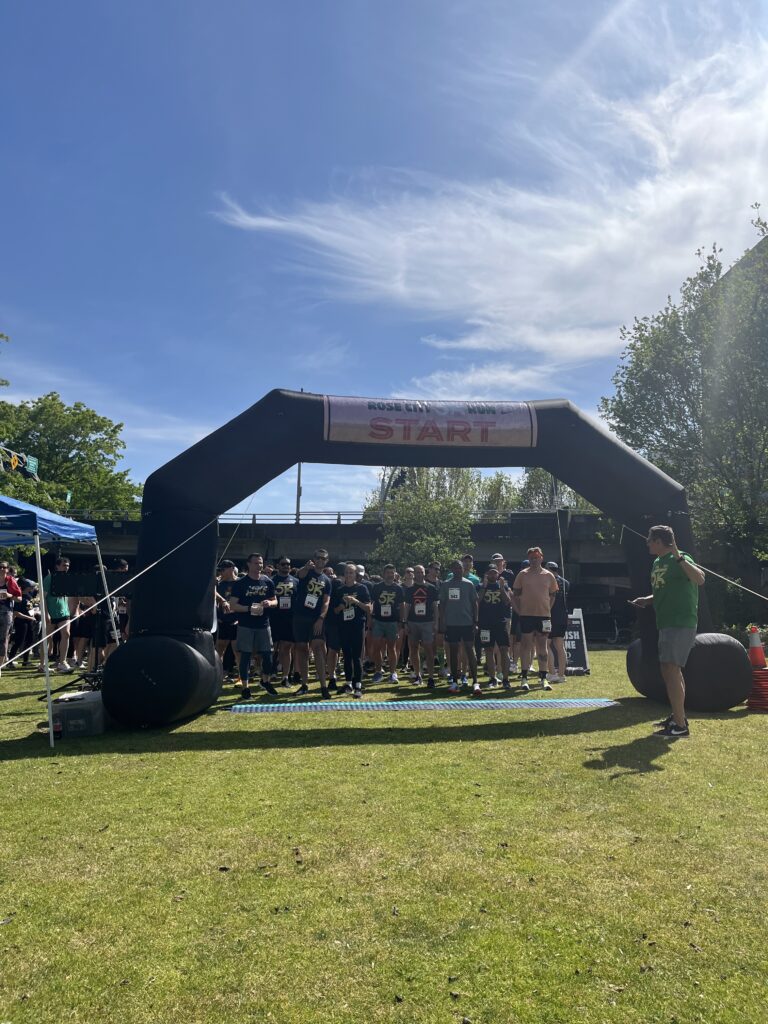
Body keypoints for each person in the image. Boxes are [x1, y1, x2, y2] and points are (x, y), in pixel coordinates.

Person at [630, 524, 705, 739]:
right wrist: (647, 600)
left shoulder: (680, 558)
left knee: (671, 670)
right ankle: (678, 717)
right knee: (670, 670)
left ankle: (680, 726)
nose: (647, 543)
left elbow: (700, 579)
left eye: (650, 539)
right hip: (666, 622)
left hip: (680, 622)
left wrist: (679, 556)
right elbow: (667, 588)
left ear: (659, 541)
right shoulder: (658, 562)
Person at [228, 552, 279, 699]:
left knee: (268, 655)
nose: (259, 565)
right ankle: (245, 688)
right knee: (245, 655)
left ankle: (266, 681)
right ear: (249, 564)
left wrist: (270, 603)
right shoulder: (240, 583)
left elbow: (275, 601)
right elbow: (233, 605)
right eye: (256, 563)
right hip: (246, 624)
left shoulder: (267, 581)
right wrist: (249, 608)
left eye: (261, 563)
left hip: (264, 624)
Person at [512, 548, 558, 691]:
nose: (534, 560)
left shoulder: (549, 575)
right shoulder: (522, 574)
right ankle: (524, 677)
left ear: (541, 558)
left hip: (543, 616)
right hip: (526, 616)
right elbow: (515, 595)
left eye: (536, 557)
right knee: (526, 646)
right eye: (531, 557)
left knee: (542, 647)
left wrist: (547, 609)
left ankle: (543, 678)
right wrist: (519, 611)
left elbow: (553, 595)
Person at [293, 548, 332, 697]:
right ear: (314, 559)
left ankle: (323, 686)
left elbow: (326, 601)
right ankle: (304, 684)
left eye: (323, 558)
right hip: (300, 616)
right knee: (302, 649)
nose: (321, 560)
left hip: (316, 618)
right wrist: (306, 567)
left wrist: (321, 618)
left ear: (327, 561)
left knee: (317, 648)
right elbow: (300, 575)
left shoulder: (327, 580)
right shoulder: (307, 571)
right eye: (318, 557)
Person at [438, 560, 480, 694]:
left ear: (463, 569)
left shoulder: (469, 584)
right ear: (452, 570)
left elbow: (475, 603)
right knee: (453, 652)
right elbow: (442, 604)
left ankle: (475, 682)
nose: (458, 570)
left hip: (467, 623)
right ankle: (455, 682)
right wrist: (442, 621)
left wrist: (476, 621)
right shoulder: (446, 585)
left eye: (460, 568)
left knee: (469, 650)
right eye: (455, 568)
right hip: (451, 624)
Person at [334, 562, 372, 697]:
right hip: (344, 625)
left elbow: (368, 608)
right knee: (346, 655)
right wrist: (342, 606)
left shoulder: (362, 588)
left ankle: (358, 686)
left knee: (357, 656)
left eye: (351, 572)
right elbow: (335, 610)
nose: (349, 575)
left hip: (357, 625)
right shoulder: (340, 590)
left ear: (355, 574)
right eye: (347, 572)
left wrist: (355, 601)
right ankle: (348, 683)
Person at [404, 564, 439, 688]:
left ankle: (431, 677)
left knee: (429, 650)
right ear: (414, 574)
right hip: (413, 622)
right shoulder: (409, 589)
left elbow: (435, 607)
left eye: (421, 572)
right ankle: (418, 675)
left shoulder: (432, 588)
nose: (419, 574)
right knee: (414, 649)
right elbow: (407, 606)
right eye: (417, 572)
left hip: (427, 622)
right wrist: (405, 622)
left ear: (425, 573)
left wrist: (436, 622)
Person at [477, 565, 512, 688]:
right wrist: (484, 586)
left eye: (495, 573)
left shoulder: (503, 585)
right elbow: (477, 601)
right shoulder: (480, 586)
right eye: (490, 573)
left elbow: (507, 601)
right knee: (488, 650)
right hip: (485, 623)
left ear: (498, 574)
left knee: (504, 649)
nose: (492, 575)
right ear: (486, 574)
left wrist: (501, 587)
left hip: (500, 622)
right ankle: (492, 678)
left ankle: (506, 679)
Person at [38, 556, 75, 674]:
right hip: (51, 613)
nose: (66, 568)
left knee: (66, 634)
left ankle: (62, 662)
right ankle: (42, 664)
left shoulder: (67, 579)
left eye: (68, 566)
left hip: (64, 611)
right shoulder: (49, 578)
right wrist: (46, 614)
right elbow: (42, 598)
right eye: (64, 565)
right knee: (47, 638)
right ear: (57, 566)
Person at [370, 564, 406, 684]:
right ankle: (378, 672)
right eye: (388, 572)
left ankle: (392, 673)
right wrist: (371, 619)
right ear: (383, 574)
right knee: (377, 647)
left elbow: (402, 605)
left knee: (392, 648)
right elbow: (372, 603)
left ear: (395, 574)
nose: (390, 575)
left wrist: (401, 621)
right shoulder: (377, 587)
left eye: (392, 572)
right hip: (378, 621)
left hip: (392, 622)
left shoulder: (398, 588)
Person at [270, 556, 299, 686]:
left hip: (290, 619)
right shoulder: (271, 581)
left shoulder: (296, 581)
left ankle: (285, 677)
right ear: (277, 566)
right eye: (283, 564)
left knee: (286, 648)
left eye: (288, 564)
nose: (286, 566)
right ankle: (268, 674)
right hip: (274, 618)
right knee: (271, 648)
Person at [214, 560, 240, 681]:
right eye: (220, 570)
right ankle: (217, 676)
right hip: (222, 620)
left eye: (223, 570)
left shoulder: (240, 582)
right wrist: (222, 600)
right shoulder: (219, 583)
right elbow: (212, 591)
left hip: (236, 620)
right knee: (219, 649)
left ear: (231, 569)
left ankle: (241, 677)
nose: (221, 572)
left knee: (237, 651)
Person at [545, 561, 570, 683]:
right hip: (563, 617)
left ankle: (552, 673)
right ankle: (561, 675)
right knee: (560, 646)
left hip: (550, 616)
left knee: (545, 645)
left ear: (549, 569)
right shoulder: (566, 583)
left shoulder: (547, 581)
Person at [0, 561, 22, 672]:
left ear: (7, 569)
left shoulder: (10, 581)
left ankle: (0, 666)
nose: (1, 569)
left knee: (3, 639)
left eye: (4, 567)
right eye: (0, 567)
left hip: (6, 613)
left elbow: (19, 598)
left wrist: (9, 595)